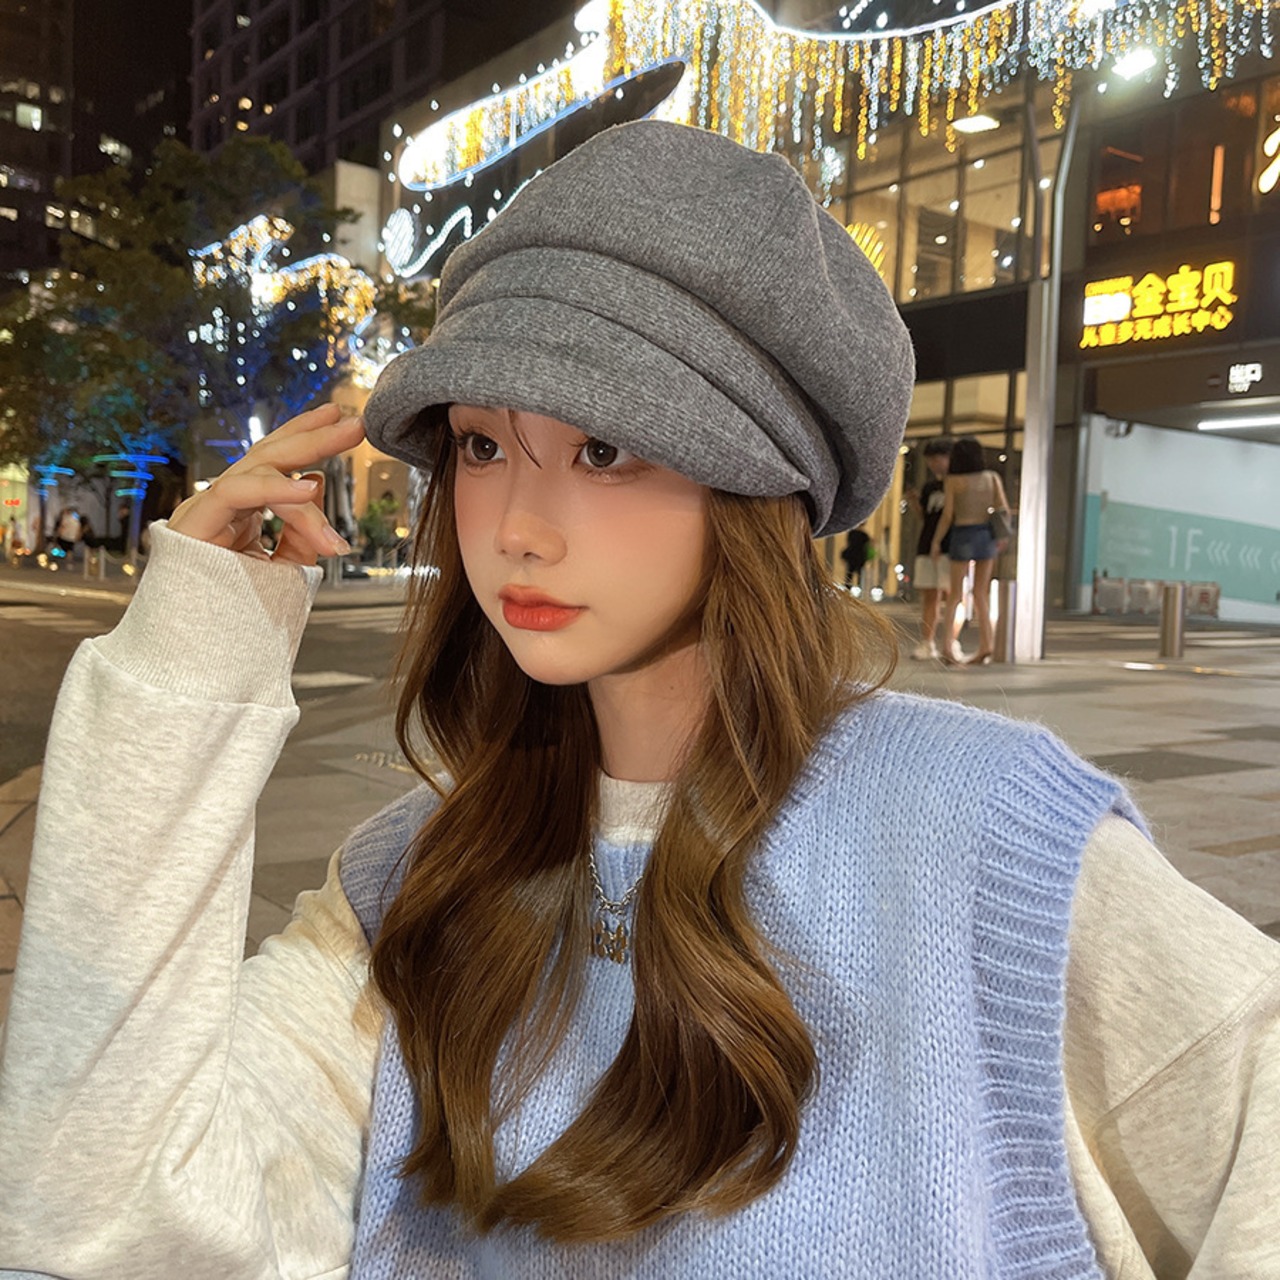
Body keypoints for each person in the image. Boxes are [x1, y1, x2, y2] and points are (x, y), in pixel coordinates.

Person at [1, 121, 1277, 1279]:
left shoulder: (986, 839)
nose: (517, 526)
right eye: (483, 445)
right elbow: (102, 1214)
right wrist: (190, 656)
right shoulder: (411, 880)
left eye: (603, 448)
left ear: (755, 485)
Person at [930, 435, 1010, 666]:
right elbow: (1003, 509)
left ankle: (947, 647)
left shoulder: (953, 481)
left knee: (955, 594)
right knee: (981, 594)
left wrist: (937, 541)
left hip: (963, 533)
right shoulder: (992, 478)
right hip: (986, 535)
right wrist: (1002, 537)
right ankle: (986, 644)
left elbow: (948, 515)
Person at [906, 437, 953, 660]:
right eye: (930, 460)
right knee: (930, 596)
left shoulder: (957, 483)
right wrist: (914, 502)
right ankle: (927, 642)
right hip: (926, 545)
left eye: (938, 458)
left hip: (950, 547)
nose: (934, 464)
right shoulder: (930, 487)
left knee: (953, 595)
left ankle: (951, 642)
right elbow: (925, 517)